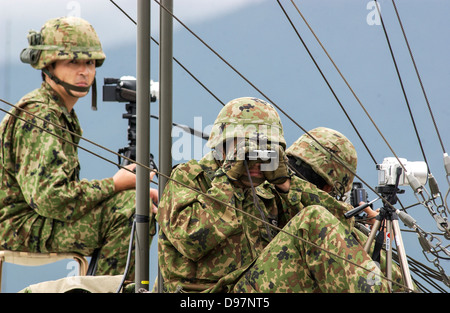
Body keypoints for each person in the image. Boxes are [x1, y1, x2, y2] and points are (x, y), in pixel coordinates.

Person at [157, 97, 390, 293]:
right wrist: (228, 181)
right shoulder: (189, 177)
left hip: (255, 289)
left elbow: (339, 229)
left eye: (267, 150)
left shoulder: (267, 189)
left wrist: (286, 184)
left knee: (372, 256)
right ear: (223, 145)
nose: (258, 162)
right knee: (311, 220)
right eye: (249, 151)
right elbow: (190, 241)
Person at [0, 17, 157, 278]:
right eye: (73, 62)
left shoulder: (59, 111)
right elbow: (51, 200)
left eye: (90, 62)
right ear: (48, 65)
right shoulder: (41, 114)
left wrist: (123, 188)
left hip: (32, 220)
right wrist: (115, 185)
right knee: (131, 210)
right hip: (17, 226)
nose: (84, 71)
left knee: (136, 202)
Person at [285, 127, 413, 292]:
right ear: (329, 188)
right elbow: (397, 282)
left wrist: (376, 238)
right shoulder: (316, 219)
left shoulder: (264, 188)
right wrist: (370, 239)